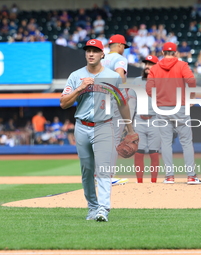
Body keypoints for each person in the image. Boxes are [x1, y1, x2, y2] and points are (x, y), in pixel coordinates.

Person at [60, 39, 135, 222]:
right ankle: (92, 207)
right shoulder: (76, 75)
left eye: (95, 50)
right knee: (87, 171)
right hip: (82, 127)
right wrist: (80, 88)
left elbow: (122, 103)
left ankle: (103, 208)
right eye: (88, 50)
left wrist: (130, 129)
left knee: (103, 169)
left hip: (104, 125)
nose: (91, 54)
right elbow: (63, 103)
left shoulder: (112, 76)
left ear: (103, 54)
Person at [146, 42, 201, 185]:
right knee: (186, 142)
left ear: (163, 53)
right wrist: (192, 96)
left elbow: (148, 89)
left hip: (162, 108)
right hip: (180, 107)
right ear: (176, 53)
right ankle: (191, 176)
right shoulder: (182, 65)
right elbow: (191, 80)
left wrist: (160, 99)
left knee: (165, 143)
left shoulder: (155, 68)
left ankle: (169, 177)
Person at [101, 34, 130, 186]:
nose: (124, 49)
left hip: (98, 100)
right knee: (114, 139)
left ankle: (99, 174)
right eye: (124, 46)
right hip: (113, 100)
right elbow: (120, 74)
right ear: (119, 45)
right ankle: (108, 176)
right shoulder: (120, 58)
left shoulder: (101, 58)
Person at [129, 55, 160, 183]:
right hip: (139, 120)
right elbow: (131, 104)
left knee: (154, 152)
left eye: (151, 64)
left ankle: (153, 182)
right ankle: (139, 182)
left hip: (155, 120)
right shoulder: (136, 81)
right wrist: (129, 125)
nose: (147, 66)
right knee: (138, 152)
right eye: (146, 63)